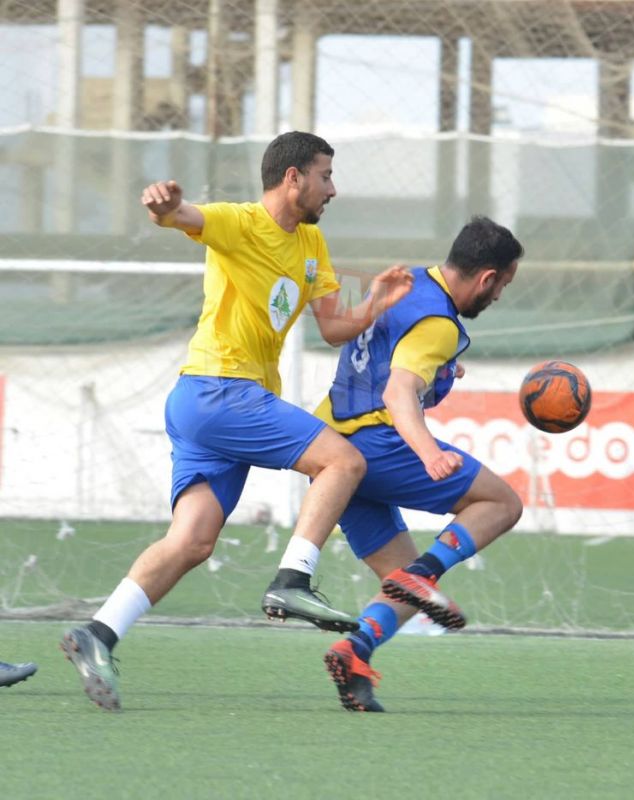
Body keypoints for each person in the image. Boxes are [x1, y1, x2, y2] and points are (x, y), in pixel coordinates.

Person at [60, 131, 413, 712]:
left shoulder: (311, 243)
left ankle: (98, 633)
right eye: (325, 175)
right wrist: (164, 205)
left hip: (207, 404)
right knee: (344, 462)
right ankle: (293, 580)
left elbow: (332, 327)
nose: (333, 189)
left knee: (193, 541)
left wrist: (375, 300)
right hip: (220, 389)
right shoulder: (240, 222)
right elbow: (181, 216)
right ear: (293, 177)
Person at [316, 216, 524, 711]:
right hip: (374, 444)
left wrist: (443, 367)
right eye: (502, 285)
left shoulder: (405, 281)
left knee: (405, 587)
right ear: (487, 277)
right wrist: (430, 452)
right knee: (502, 504)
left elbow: (382, 352)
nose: (498, 297)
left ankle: (355, 651)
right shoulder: (439, 323)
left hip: (330, 452)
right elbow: (398, 391)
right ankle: (425, 571)